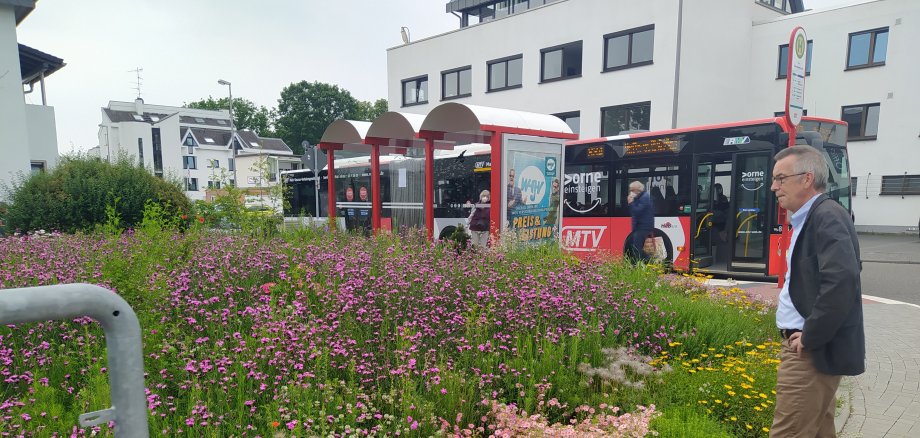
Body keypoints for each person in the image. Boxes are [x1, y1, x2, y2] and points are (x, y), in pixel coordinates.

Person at [769, 145, 864, 437]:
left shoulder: (826, 216)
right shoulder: (811, 216)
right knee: (819, 430)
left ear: (807, 179)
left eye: (781, 178)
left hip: (809, 353)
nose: (774, 187)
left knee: (788, 432)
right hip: (812, 349)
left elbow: (842, 280)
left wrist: (811, 334)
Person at [627, 181, 654, 262]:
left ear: (637, 190)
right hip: (640, 226)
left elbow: (637, 211)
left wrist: (631, 202)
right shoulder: (641, 197)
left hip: (642, 227)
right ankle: (645, 262)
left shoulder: (644, 197)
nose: (631, 192)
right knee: (636, 247)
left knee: (637, 248)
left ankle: (649, 261)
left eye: (632, 190)